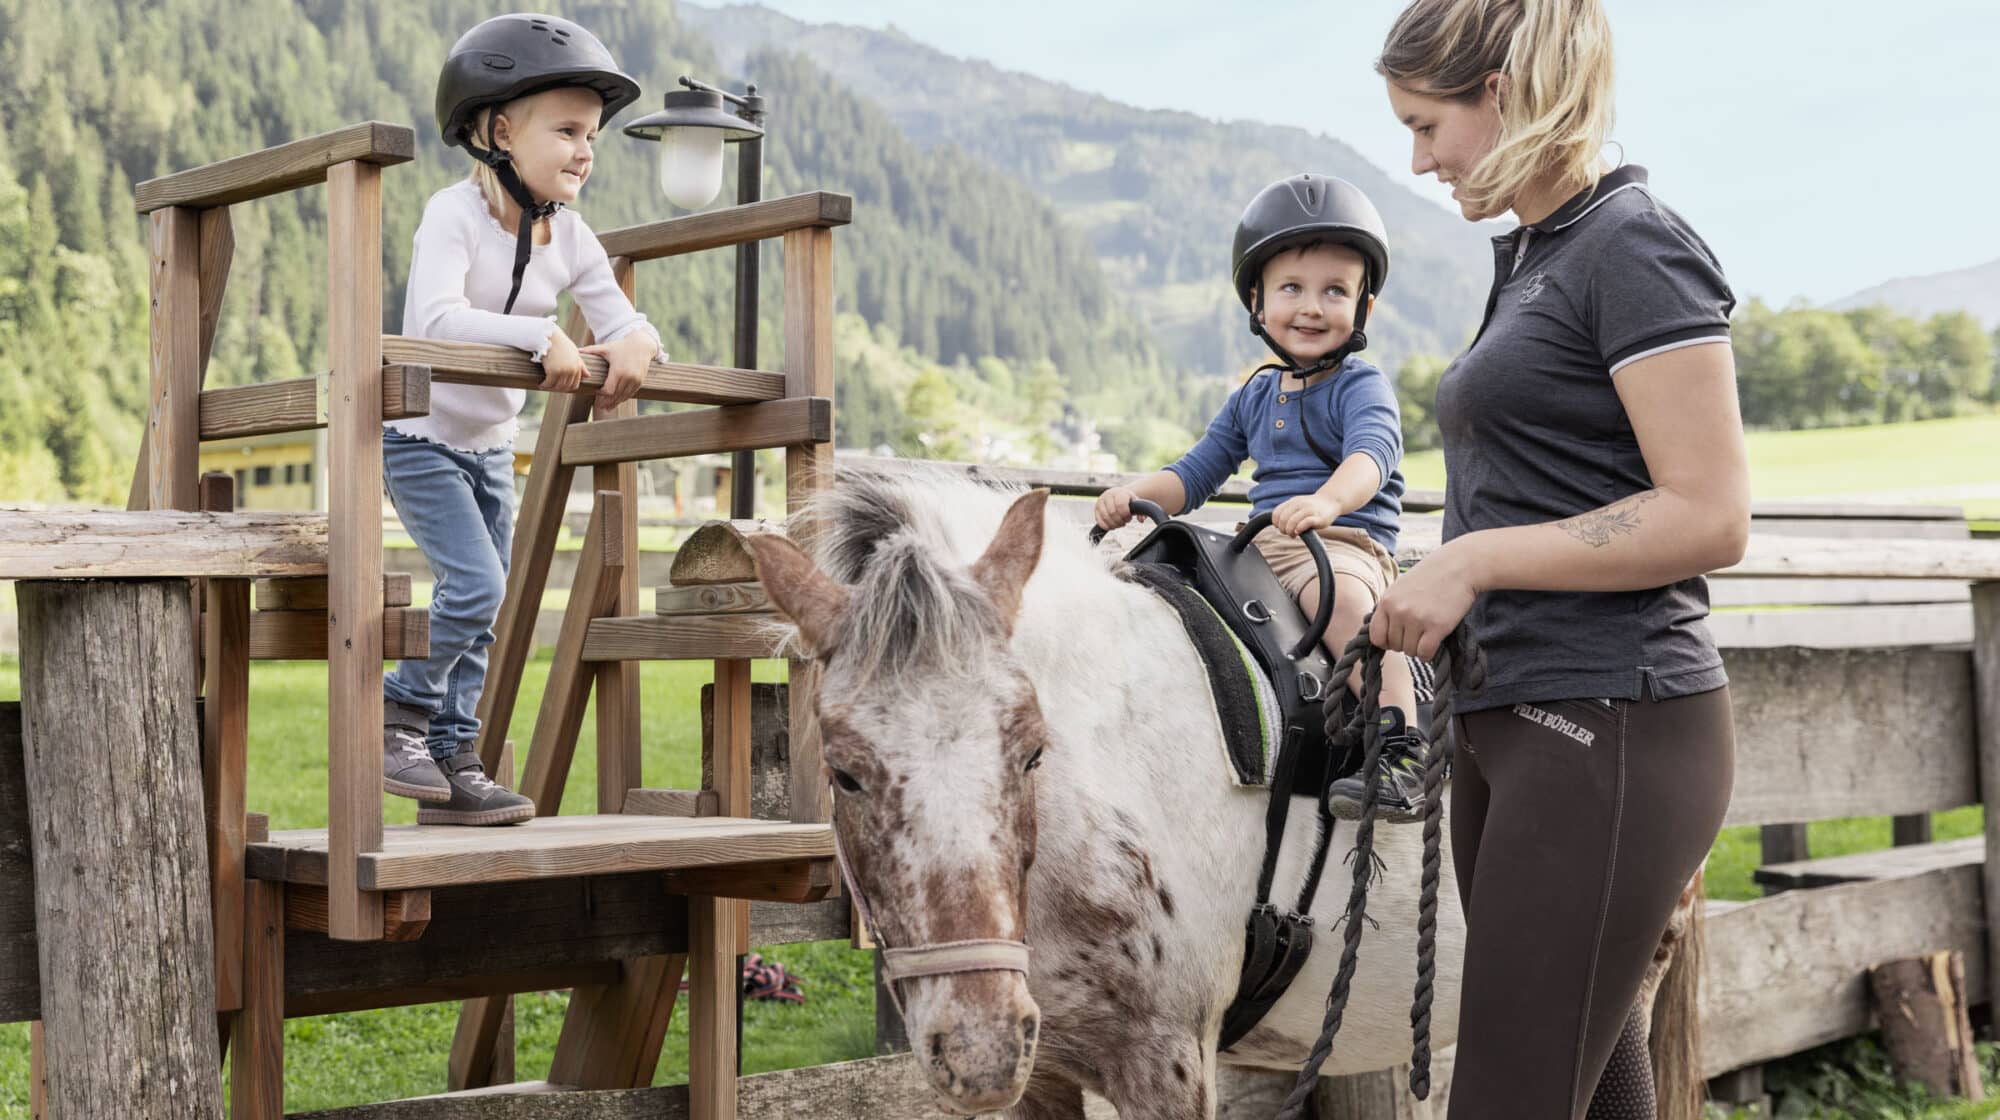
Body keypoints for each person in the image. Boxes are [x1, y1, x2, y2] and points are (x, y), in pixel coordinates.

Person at [1369, 0, 1748, 1114]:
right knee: (1595, 1091)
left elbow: (1710, 511)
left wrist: (1471, 561)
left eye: (1425, 123)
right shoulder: (1541, 253)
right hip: (1514, 722)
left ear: (1502, 92)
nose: (1417, 157)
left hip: (1609, 723)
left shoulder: (1633, 245)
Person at [380, 13, 663, 826]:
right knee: (476, 586)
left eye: (594, 137)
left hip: (492, 450)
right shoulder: (453, 215)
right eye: (567, 130)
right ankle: (399, 713)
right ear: (500, 131)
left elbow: (616, 316)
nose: (585, 150)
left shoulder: (569, 235)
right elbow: (432, 321)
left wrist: (637, 340)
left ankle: (453, 755)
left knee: (488, 611)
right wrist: (540, 334)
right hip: (422, 436)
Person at [1095, 173, 1431, 821]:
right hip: (1260, 545)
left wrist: (1329, 503)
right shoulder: (1255, 394)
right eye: (1291, 289)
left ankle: (1400, 745)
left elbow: (1372, 457)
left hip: (1340, 544)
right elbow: (1194, 474)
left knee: (1348, 611)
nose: (1311, 306)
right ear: (1257, 302)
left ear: (1362, 308)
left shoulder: (1362, 386)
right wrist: (1133, 493)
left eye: (1335, 290)